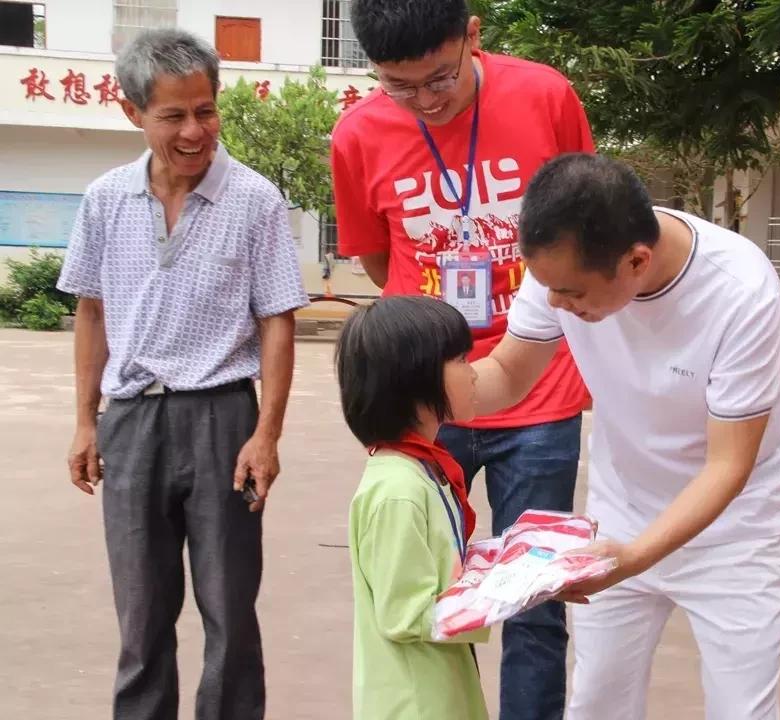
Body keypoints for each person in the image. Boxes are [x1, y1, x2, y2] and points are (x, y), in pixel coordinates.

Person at [329, 2, 594, 716]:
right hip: (424, 390)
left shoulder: (545, 96)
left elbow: (584, 217)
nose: (425, 99)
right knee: (430, 583)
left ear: (472, 36)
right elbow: (381, 257)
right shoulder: (356, 135)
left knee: (534, 603)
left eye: (439, 78)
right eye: (399, 86)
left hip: (539, 389)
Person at [473, 153, 780, 720]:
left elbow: (727, 467)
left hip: (737, 532)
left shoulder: (740, 291)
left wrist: (634, 559)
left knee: (741, 709)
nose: (555, 304)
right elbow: (504, 376)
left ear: (637, 261)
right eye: (547, 287)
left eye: (571, 294)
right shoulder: (563, 262)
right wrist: (412, 390)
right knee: (597, 702)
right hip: (622, 511)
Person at [57, 28, 309, 720]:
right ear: (132, 111)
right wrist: (85, 420)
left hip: (222, 418)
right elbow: (91, 313)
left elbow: (277, 320)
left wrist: (266, 433)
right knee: (141, 617)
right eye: (174, 115)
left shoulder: (255, 202)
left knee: (230, 612)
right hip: (133, 421)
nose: (196, 130)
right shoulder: (105, 200)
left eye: (206, 110)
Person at [336, 295, 490, 720]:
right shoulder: (398, 490)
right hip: (415, 703)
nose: (475, 372)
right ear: (414, 380)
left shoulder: (420, 470)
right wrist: (504, 593)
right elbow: (406, 614)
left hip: (439, 688)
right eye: (460, 359)